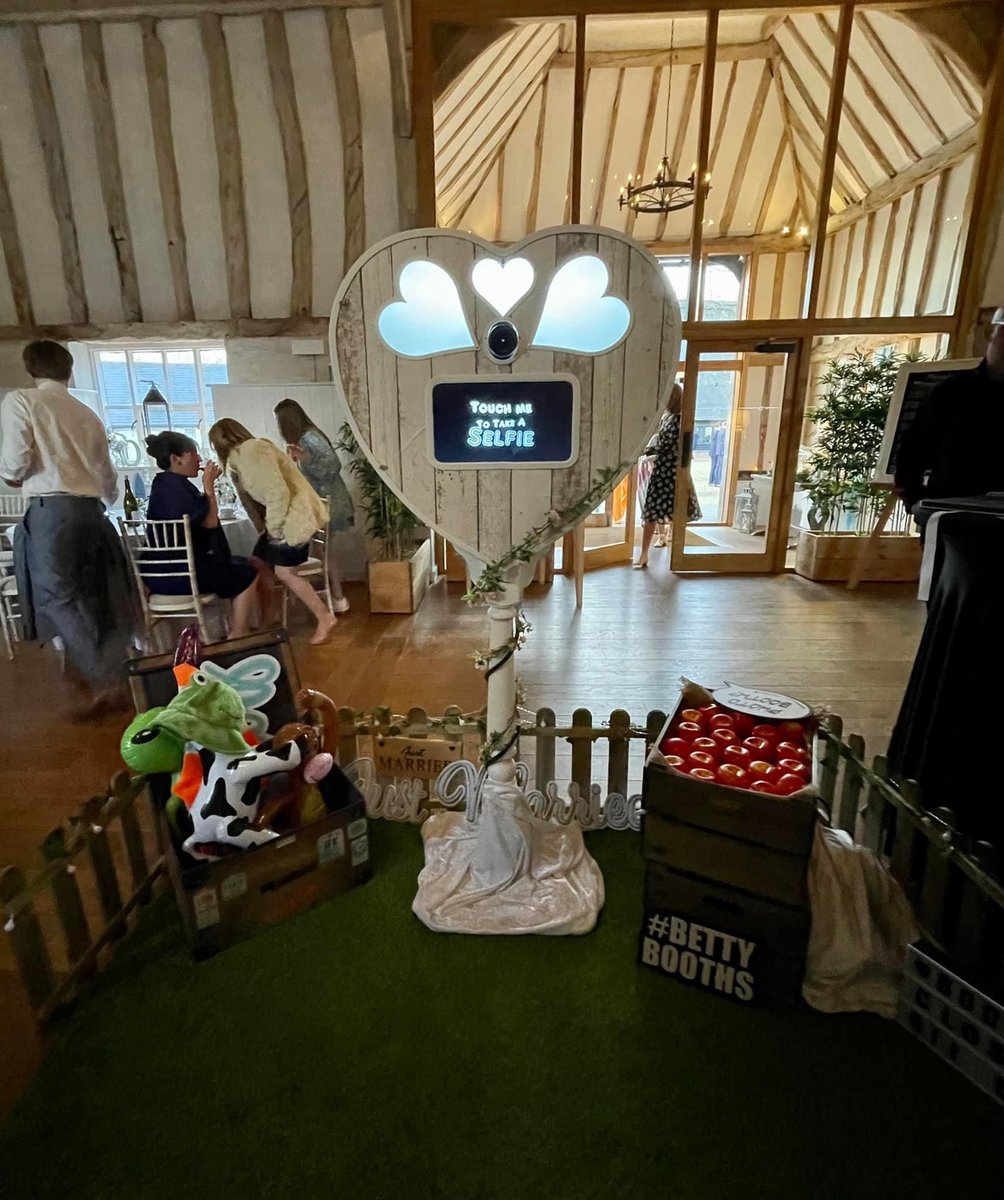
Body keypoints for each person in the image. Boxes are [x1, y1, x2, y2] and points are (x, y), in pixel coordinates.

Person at [0, 340, 133, 714]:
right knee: (96, 595)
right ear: (69, 370)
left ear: (30, 369)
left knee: (56, 596)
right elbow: (108, 476)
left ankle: (106, 678)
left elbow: (13, 465)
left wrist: (13, 476)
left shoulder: (22, 401)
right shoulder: (87, 413)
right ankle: (101, 672)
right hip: (92, 512)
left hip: (52, 512)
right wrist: (106, 502)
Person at [208, 418, 336, 645]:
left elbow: (278, 492)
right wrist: (265, 528)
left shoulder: (252, 450)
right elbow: (258, 498)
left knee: (286, 573)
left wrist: (274, 528)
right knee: (257, 561)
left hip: (294, 518)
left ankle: (324, 616)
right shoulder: (240, 459)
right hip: (282, 517)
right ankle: (271, 617)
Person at [143, 431, 262, 639]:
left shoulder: (161, 485)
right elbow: (210, 522)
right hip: (184, 577)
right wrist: (208, 486)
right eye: (192, 453)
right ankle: (238, 632)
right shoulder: (176, 488)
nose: (199, 459)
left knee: (243, 563)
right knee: (248, 571)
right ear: (175, 459)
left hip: (156, 576)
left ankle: (233, 628)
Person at [895, 307, 1004, 520]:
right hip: (949, 518)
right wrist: (915, 501)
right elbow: (911, 452)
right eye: (1002, 336)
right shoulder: (952, 392)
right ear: (991, 337)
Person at [274, 398, 354, 614]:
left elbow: (332, 466)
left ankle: (337, 598)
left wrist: (304, 457)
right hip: (322, 502)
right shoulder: (306, 437)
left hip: (329, 502)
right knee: (323, 552)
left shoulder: (309, 437)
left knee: (325, 552)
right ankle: (334, 597)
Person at [634, 382, 702, 569]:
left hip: (674, 472)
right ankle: (644, 553)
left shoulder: (682, 420)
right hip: (662, 471)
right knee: (651, 513)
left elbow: (673, 447)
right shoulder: (667, 417)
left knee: (674, 513)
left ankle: (674, 555)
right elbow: (663, 444)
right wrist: (650, 452)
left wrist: (650, 452)